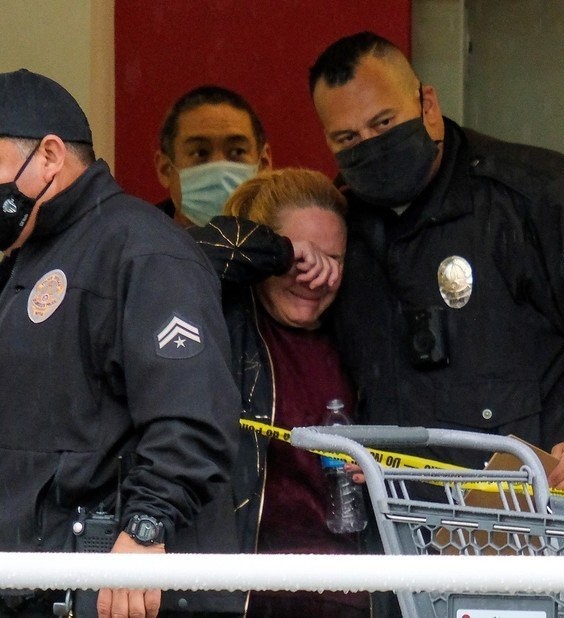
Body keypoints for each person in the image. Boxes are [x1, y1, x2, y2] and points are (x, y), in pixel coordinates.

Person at [308, 32, 564, 493]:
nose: (369, 145)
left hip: (561, 527)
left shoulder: (538, 196)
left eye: (384, 123)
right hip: (410, 537)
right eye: (348, 137)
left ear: (427, 104)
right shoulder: (339, 230)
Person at [0, 69, 238, 617]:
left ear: (51, 156)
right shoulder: (30, 256)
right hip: (36, 581)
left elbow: (192, 411)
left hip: (110, 590)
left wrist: (146, 527)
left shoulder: (144, 250)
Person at [190, 169, 368, 617]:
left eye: (333, 260)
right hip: (247, 596)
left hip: (350, 596)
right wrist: (281, 253)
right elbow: (182, 257)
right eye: (300, 259)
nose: (314, 277)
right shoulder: (223, 319)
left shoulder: (358, 335)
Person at [154, 85, 272, 227]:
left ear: (264, 165)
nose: (220, 170)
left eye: (237, 152)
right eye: (200, 153)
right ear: (165, 170)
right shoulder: (136, 244)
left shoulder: (288, 244)